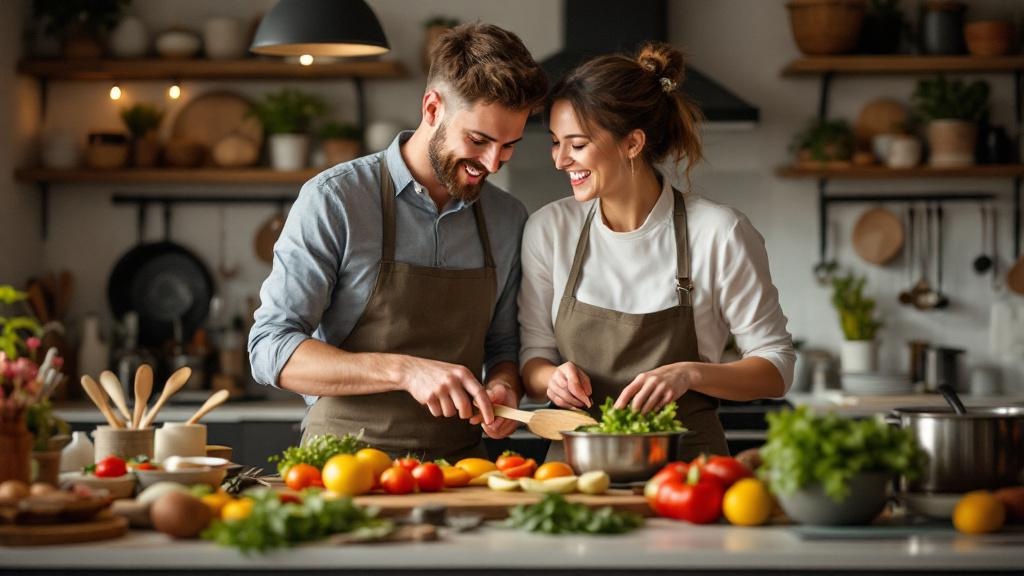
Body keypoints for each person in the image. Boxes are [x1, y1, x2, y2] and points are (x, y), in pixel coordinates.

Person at [248, 23, 548, 461]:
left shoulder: (507, 218)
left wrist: (505, 387)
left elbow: (503, 348)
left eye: (509, 146)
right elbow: (270, 349)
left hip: (461, 470)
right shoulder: (336, 200)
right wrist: (404, 370)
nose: (492, 164)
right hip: (343, 463)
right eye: (478, 140)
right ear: (432, 108)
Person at [519, 43, 794, 460]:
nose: (560, 160)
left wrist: (690, 374)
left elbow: (776, 368)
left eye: (576, 144)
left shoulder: (719, 232)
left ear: (632, 143)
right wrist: (550, 378)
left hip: (688, 475)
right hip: (575, 476)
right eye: (556, 142)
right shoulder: (549, 230)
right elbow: (533, 359)